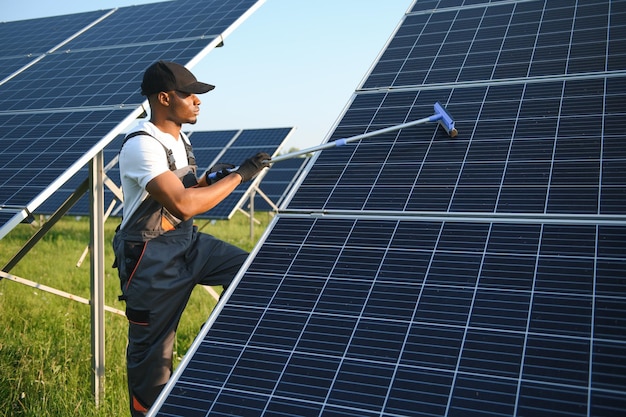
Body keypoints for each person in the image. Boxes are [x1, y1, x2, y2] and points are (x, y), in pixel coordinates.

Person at [112, 60, 270, 416]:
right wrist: (240, 177)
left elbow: (186, 190)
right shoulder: (141, 145)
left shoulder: (180, 138)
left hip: (187, 243)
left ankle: (206, 354)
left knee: (253, 275)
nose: (198, 101)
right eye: (190, 94)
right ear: (165, 98)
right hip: (151, 262)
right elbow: (182, 204)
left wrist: (212, 179)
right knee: (153, 365)